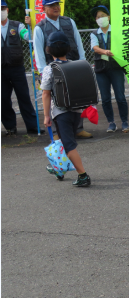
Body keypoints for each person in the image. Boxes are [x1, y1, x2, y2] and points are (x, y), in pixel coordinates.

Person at [30, 0, 93, 139]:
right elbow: (39, 53)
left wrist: (82, 63)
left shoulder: (69, 22)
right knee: (55, 101)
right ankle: (58, 131)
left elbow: (78, 42)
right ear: (43, 8)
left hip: (73, 67)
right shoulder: (40, 28)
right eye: (51, 5)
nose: (56, 7)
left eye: (57, 4)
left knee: (77, 97)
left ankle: (78, 129)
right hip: (53, 70)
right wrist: (42, 72)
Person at [41, 30, 91, 187]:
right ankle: (59, 169)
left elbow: (46, 94)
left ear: (48, 50)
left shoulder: (50, 69)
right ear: (68, 49)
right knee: (64, 141)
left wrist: (46, 116)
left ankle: (83, 175)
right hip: (76, 111)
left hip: (61, 113)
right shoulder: (75, 65)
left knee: (68, 145)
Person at [1, 0, 43, 135]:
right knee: (3, 99)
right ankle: (10, 127)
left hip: (17, 68)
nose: (1, 11)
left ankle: (32, 127)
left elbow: (27, 37)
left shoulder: (17, 25)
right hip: (1, 69)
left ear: (7, 10)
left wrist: (30, 27)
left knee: (24, 97)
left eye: (3, 9)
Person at [90, 5, 129, 133]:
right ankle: (111, 123)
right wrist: (105, 51)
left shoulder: (118, 30)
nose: (100, 19)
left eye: (102, 16)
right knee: (105, 98)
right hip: (101, 70)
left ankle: (125, 122)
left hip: (116, 68)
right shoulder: (94, 34)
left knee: (120, 96)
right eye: (98, 17)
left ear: (109, 17)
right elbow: (95, 48)